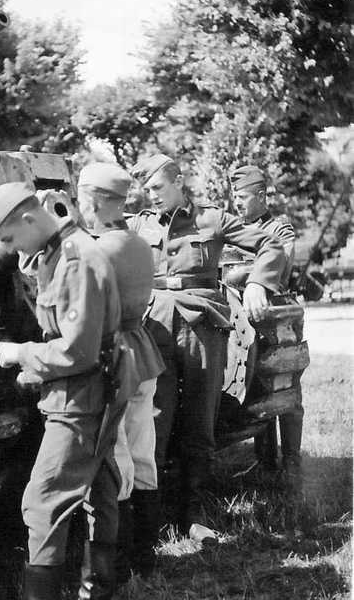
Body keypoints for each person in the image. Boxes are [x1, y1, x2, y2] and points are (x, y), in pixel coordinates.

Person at [0, 181, 130, 600]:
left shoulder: (75, 259)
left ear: (28, 218)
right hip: (94, 387)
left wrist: (20, 353)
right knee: (99, 486)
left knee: (42, 503)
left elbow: (76, 350)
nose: (9, 248)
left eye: (8, 238)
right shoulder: (58, 251)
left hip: (81, 393)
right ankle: (98, 589)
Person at [130, 154, 286, 538]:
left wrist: (257, 283)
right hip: (154, 327)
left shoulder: (210, 219)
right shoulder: (137, 224)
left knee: (200, 419)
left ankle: (194, 513)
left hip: (202, 325)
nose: (151, 196)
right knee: (155, 417)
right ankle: (152, 516)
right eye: (146, 189)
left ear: (178, 181)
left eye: (157, 188)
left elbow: (272, 243)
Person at [77, 162, 165, 578]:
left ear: (92, 200)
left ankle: (120, 564)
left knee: (117, 461)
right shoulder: (138, 244)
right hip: (142, 351)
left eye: (81, 197)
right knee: (143, 453)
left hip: (113, 359)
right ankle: (147, 557)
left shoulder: (95, 249)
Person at [231, 165, 303, 481]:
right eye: (234, 196)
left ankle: (291, 461)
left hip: (277, 319)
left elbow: (280, 269)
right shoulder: (234, 229)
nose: (237, 203)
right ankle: (264, 461)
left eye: (243, 196)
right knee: (255, 390)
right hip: (243, 322)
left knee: (285, 389)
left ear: (261, 196)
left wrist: (243, 274)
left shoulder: (280, 230)